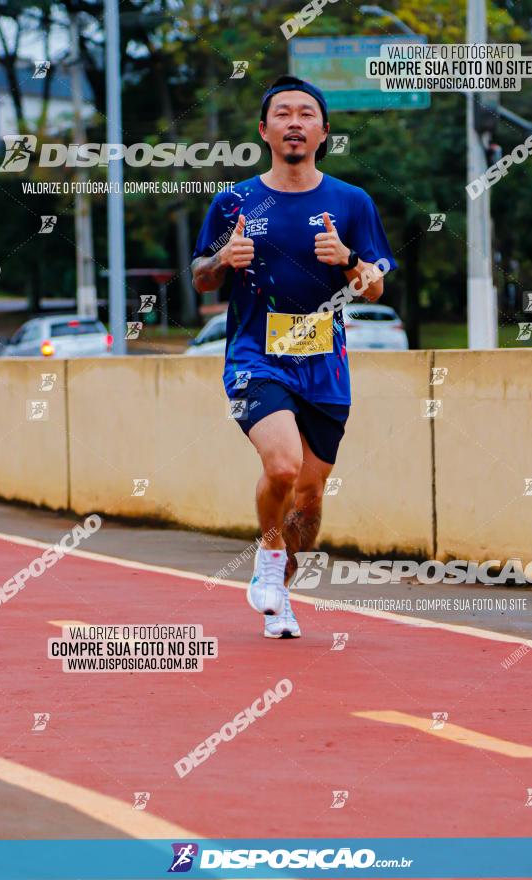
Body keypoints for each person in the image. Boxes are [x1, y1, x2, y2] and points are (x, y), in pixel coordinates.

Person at [191, 75, 397, 639]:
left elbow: (375, 286)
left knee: (308, 493)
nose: (295, 122)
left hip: (324, 364)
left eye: (307, 114)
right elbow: (201, 279)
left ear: (324, 131)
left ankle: (281, 592)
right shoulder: (235, 201)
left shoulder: (351, 202)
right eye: (282, 114)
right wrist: (222, 260)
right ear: (264, 130)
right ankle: (266, 556)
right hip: (256, 356)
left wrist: (350, 259)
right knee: (281, 465)